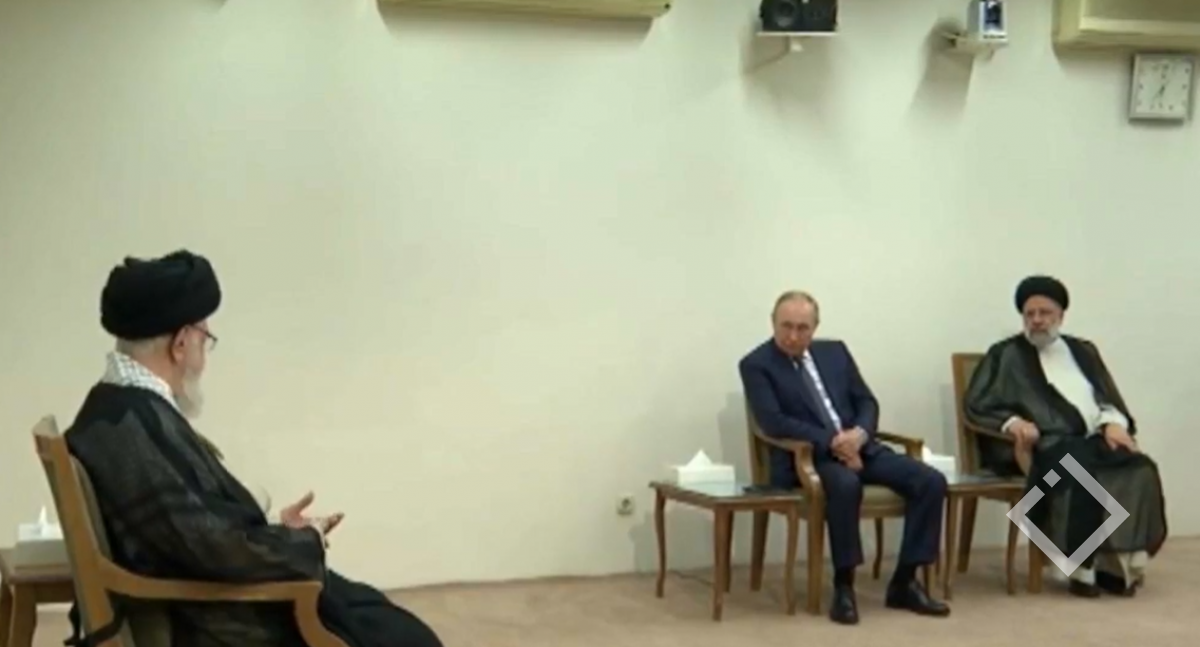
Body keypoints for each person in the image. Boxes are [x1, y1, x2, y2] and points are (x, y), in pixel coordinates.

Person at [62, 250, 444, 647]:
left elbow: (193, 528)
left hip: (212, 600)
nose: (204, 356)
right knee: (406, 640)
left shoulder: (119, 411)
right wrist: (305, 540)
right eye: (205, 339)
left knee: (384, 619)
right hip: (218, 623)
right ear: (181, 343)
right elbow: (209, 545)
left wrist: (275, 530)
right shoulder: (126, 427)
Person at [738, 291, 949, 625]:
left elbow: (867, 401)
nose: (793, 336)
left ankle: (905, 581)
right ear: (773, 323)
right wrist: (835, 442)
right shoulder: (756, 364)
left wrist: (859, 435)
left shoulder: (835, 352)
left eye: (802, 328)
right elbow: (774, 421)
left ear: (815, 327)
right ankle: (844, 585)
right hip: (808, 458)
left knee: (930, 481)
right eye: (786, 326)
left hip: (862, 448)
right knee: (846, 485)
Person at [963, 275, 1168, 598]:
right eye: (1030, 314)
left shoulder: (1083, 351)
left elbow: (1105, 397)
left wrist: (1113, 423)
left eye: (1044, 313)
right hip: (1043, 446)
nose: (1037, 320)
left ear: (1061, 315)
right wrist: (1013, 423)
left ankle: (1116, 567)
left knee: (1140, 467)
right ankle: (1080, 569)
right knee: (1077, 469)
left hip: (1092, 438)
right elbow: (978, 403)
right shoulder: (1006, 355)